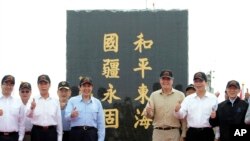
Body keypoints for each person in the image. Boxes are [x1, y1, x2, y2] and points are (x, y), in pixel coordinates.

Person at [143, 70, 186, 141]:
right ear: (160, 80)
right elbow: (149, 115)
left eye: (168, 79)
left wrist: (184, 133)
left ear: (172, 80)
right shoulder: (154, 95)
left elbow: (184, 117)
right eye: (163, 79)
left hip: (174, 133)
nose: (165, 81)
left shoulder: (180, 95)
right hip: (158, 133)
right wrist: (148, 112)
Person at [174, 71, 218, 141]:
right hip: (192, 133)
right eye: (196, 81)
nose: (198, 84)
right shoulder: (188, 99)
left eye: (200, 81)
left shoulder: (213, 98)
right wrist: (177, 111)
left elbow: (217, 119)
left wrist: (217, 136)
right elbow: (181, 115)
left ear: (206, 83)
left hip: (207, 133)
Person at [65, 76, 105, 141]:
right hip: (76, 134)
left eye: (88, 86)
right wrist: (71, 115)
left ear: (92, 87)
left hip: (91, 134)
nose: (86, 88)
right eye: (84, 86)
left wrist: (101, 139)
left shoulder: (97, 103)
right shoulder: (72, 101)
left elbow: (101, 124)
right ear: (79, 87)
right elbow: (66, 117)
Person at [26, 74, 63, 141]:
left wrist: (59, 138)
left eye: (45, 83)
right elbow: (28, 115)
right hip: (37, 132)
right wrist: (32, 108)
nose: (43, 86)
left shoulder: (55, 101)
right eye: (41, 84)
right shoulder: (32, 100)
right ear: (38, 85)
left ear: (49, 85)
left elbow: (59, 120)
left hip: (51, 132)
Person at [0, 75, 25, 141]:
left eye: (11, 85)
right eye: (6, 84)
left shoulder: (18, 102)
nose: (8, 87)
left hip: (13, 137)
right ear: (1, 85)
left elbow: (22, 122)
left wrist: (20, 138)